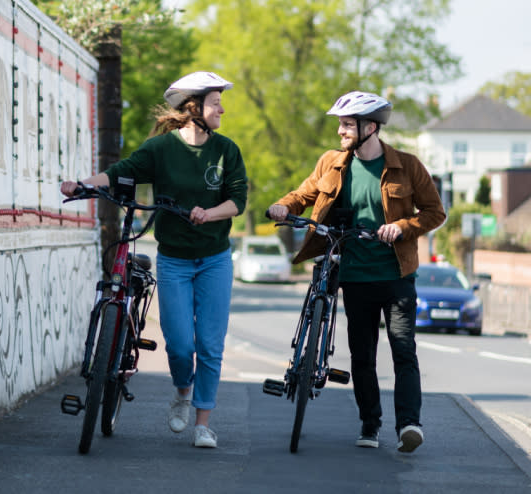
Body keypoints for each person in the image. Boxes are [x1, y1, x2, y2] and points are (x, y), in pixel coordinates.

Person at [60, 71, 248, 448]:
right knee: (180, 345)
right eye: (215, 103)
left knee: (210, 345)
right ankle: (182, 392)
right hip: (175, 259)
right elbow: (119, 172)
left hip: (214, 258)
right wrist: (82, 184)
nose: (221, 110)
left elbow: (237, 200)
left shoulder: (227, 150)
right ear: (194, 107)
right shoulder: (162, 149)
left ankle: (203, 423)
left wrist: (209, 214)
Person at [266, 91, 446, 453]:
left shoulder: (407, 166)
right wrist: (282, 206)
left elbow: (434, 213)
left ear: (371, 127)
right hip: (354, 274)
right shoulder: (331, 163)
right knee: (362, 354)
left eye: (347, 125)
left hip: (396, 276)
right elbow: (303, 194)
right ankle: (370, 423)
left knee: (403, 350)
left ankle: (409, 425)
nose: (340, 132)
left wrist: (404, 227)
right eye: (341, 124)